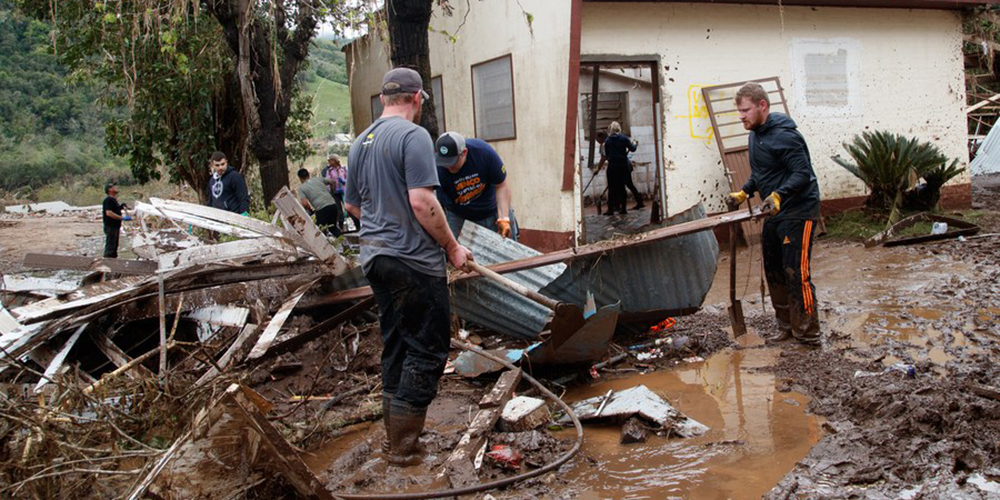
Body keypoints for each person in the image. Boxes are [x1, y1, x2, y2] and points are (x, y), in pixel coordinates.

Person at [344, 67, 473, 466]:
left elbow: (352, 206)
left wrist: (383, 228)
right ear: (417, 99)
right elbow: (422, 202)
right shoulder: (414, 136)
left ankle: (396, 437)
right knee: (429, 350)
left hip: (375, 258)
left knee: (397, 345)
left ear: (384, 99)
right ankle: (404, 448)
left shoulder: (360, 143)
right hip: (413, 261)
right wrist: (452, 248)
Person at [728, 82, 822, 346]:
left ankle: (808, 333)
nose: (741, 116)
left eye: (745, 110)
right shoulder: (755, 135)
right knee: (774, 270)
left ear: (762, 106)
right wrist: (745, 192)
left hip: (799, 211)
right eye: (739, 111)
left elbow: (802, 174)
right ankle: (786, 328)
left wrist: (780, 194)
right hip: (774, 212)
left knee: (796, 273)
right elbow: (761, 173)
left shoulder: (786, 135)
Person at [434, 131, 516, 240]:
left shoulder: (483, 153)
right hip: (459, 215)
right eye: (445, 162)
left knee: (510, 249)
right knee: (455, 252)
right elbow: (436, 203)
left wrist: (504, 218)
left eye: (453, 161)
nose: (449, 167)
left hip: (492, 209)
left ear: (464, 152)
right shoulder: (436, 167)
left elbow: (501, 185)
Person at [596, 130, 644, 211]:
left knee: (620, 186)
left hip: (621, 166)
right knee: (627, 185)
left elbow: (603, 158)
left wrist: (598, 169)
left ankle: (617, 206)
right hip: (624, 165)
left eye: (597, 139)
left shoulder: (606, 143)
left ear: (601, 137)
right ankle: (636, 202)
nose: (597, 141)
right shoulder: (610, 141)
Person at [602, 122, 638, 215]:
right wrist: (635, 144)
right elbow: (633, 149)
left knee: (611, 188)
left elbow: (606, 155)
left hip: (612, 166)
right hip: (622, 166)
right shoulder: (624, 139)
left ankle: (610, 209)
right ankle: (623, 208)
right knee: (622, 188)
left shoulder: (607, 141)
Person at [297, 168, 341, 237]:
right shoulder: (318, 179)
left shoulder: (301, 188)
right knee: (333, 228)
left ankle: (324, 246)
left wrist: (310, 210)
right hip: (332, 205)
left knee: (319, 231)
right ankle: (345, 243)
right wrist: (332, 193)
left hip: (321, 209)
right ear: (308, 174)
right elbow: (332, 182)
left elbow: (305, 203)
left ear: (299, 178)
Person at [206, 151, 250, 216]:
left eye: (222, 164)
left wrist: (244, 213)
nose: (220, 167)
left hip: (233, 216)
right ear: (212, 165)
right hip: (218, 218)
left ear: (226, 162)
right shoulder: (212, 180)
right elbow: (210, 202)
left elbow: (243, 198)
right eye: (217, 165)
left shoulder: (235, 177)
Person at [102, 182, 130, 258]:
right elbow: (109, 213)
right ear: (110, 189)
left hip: (115, 226)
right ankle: (107, 263)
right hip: (110, 226)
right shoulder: (108, 200)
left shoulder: (113, 200)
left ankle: (113, 263)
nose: (116, 188)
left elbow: (114, 209)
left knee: (114, 246)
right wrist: (122, 218)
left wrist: (121, 207)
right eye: (114, 187)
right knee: (110, 247)